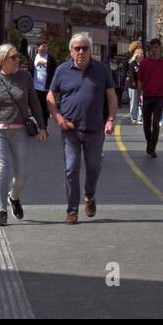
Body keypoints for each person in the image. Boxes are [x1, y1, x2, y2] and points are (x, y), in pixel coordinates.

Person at [0, 45, 47, 227]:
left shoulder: (25, 78)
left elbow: (35, 103)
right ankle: (1, 212)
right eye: (13, 57)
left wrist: (42, 126)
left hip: (19, 130)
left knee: (20, 176)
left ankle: (13, 198)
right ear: (2, 60)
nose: (17, 60)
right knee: (2, 170)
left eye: (17, 57)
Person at [47, 33, 117, 224]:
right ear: (71, 51)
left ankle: (90, 195)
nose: (81, 52)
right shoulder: (62, 70)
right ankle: (72, 210)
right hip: (70, 131)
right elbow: (51, 96)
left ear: (90, 50)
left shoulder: (101, 70)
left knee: (93, 167)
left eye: (84, 48)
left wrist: (110, 119)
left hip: (94, 130)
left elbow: (111, 96)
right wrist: (57, 117)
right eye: (77, 48)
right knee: (71, 168)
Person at [136, 38, 163, 156]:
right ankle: (149, 143)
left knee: (155, 123)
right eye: (152, 47)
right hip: (147, 96)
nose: (154, 50)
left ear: (160, 49)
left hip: (159, 96)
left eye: (156, 47)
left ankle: (152, 148)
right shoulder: (144, 63)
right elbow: (140, 81)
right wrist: (138, 96)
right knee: (146, 124)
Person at [32, 42, 55, 122]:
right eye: (43, 47)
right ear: (38, 47)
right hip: (36, 87)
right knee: (36, 107)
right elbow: (31, 71)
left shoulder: (50, 58)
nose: (44, 48)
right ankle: (36, 125)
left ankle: (44, 126)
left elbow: (54, 72)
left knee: (44, 108)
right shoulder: (34, 58)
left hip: (46, 88)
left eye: (46, 47)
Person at [125, 42, 144, 124]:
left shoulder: (143, 64)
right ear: (137, 54)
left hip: (141, 86)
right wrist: (133, 82)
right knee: (133, 102)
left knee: (141, 102)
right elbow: (131, 74)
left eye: (143, 53)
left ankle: (140, 118)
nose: (143, 54)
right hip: (133, 86)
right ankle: (133, 117)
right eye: (141, 53)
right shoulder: (133, 64)